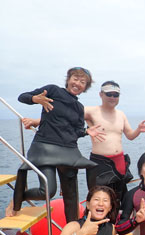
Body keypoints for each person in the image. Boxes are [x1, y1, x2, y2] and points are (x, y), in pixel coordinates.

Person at [7, 68, 104, 222]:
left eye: (82, 82)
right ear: (68, 79)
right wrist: (35, 99)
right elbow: (22, 97)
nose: (78, 83)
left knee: (76, 189)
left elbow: (77, 130)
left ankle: (77, 223)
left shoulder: (79, 108)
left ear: (85, 88)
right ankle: (20, 196)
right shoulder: (53, 90)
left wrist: (86, 132)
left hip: (69, 151)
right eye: (75, 79)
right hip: (45, 148)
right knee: (47, 191)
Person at [85, 81, 145, 235]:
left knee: (117, 201)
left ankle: (112, 234)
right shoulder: (91, 111)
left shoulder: (121, 114)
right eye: (109, 94)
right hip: (100, 163)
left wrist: (138, 130)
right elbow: (65, 114)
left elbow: (129, 135)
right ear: (101, 94)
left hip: (119, 162)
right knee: (100, 200)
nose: (112, 97)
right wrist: (37, 121)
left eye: (116, 95)